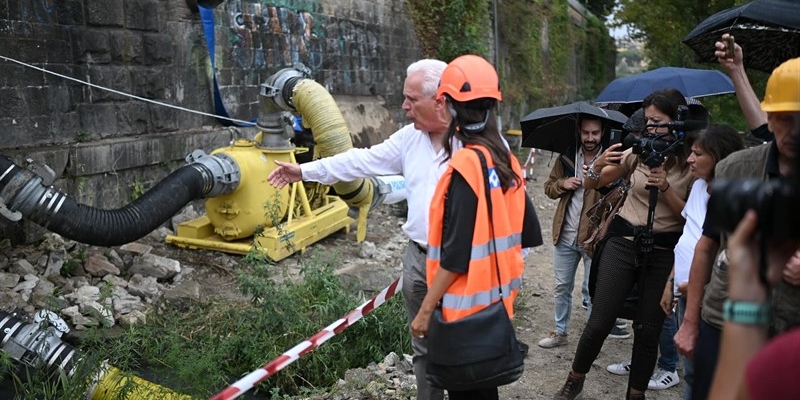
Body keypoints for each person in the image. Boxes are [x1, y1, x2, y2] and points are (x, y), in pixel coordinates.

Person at [267, 59, 453, 400]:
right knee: (424, 347)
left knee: (462, 347)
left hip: (462, 266)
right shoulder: (410, 139)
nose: (404, 106)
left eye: (411, 99)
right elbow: (360, 160)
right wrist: (304, 171)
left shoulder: (478, 145)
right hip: (418, 261)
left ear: (440, 100)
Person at [409, 54, 543, 400]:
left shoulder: (466, 167)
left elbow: (454, 257)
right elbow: (528, 234)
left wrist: (425, 313)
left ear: (449, 107)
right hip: (497, 306)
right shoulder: (506, 161)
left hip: (462, 314)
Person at [553, 88, 694, 400]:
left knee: (648, 329)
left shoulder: (691, 162)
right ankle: (574, 379)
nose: (650, 128)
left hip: (664, 253)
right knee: (600, 320)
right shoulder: (638, 153)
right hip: (623, 242)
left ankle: (636, 394)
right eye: (648, 121)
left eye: (658, 121)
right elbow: (595, 183)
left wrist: (666, 187)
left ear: (677, 122)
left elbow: (692, 218)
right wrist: (596, 165)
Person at [674, 57, 800, 400]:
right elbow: (706, 244)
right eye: (785, 119)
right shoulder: (735, 170)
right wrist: (689, 323)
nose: (795, 131)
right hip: (725, 317)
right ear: (769, 119)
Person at [539, 116, 629, 349]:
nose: (590, 138)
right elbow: (549, 188)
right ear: (579, 132)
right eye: (586, 133)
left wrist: (599, 178)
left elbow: (622, 193)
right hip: (565, 234)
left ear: (602, 133)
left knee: (594, 290)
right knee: (561, 287)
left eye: (595, 133)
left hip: (594, 237)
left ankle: (590, 339)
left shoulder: (613, 159)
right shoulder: (567, 157)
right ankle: (560, 333)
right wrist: (563, 183)